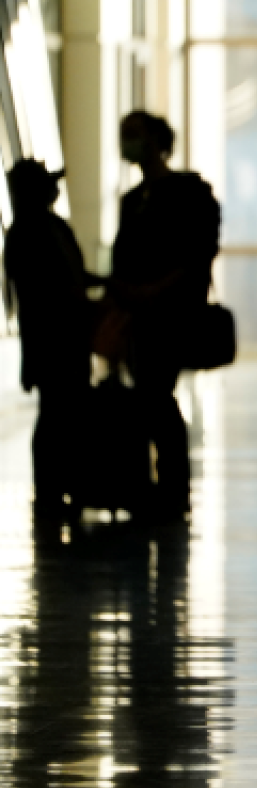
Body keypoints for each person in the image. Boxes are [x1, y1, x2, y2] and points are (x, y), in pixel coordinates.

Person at [110, 110, 221, 521]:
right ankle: (158, 488)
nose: (127, 143)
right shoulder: (133, 200)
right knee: (150, 398)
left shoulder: (186, 194)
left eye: (134, 135)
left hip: (168, 315)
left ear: (158, 141)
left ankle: (171, 490)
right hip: (137, 315)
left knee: (155, 397)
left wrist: (152, 290)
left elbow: (196, 254)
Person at [3, 159, 100, 516]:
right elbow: (52, 287)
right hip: (52, 340)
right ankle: (52, 490)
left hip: (63, 338)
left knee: (61, 414)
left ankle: (61, 488)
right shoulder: (32, 231)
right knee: (56, 415)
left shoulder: (42, 227)